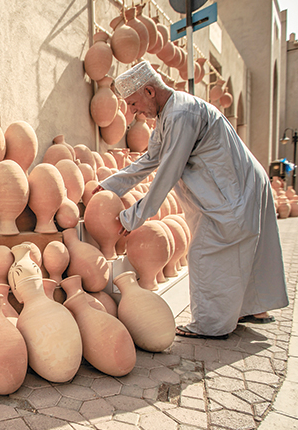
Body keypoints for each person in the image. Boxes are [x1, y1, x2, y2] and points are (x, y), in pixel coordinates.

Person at [94, 61, 288, 340]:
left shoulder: (182, 114)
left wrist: (133, 217)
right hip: (240, 183)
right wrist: (107, 185)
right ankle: (254, 309)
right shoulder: (168, 115)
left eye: (134, 103)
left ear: (149, 91)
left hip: (234, 189)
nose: (133, 111)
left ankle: (210, 325)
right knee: (246, 250)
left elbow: (168, 172)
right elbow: (151, 159)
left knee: (205, 253)